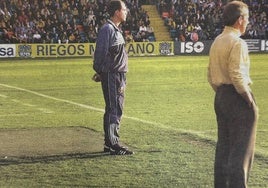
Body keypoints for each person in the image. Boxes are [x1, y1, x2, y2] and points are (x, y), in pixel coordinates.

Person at [207, 1, 258, 187]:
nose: (248, 23)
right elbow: (237, 75)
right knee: (241, 152)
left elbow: (210, 75)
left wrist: (222, 93)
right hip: (237, 98)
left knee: (224, 149)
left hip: (221, 96)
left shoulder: (217, 40)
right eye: (247, 19)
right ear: (239, 19)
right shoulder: (237, 43)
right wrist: (249, 100)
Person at [92, 0, 134, 155]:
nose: (126, 11)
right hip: (113, 75)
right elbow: (100, 54)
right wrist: (102, 71)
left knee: (117, 107)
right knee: (113, 107)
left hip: (118, 75)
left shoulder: (115, 29)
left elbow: (112, 55)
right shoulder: (107, 29)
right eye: (124, 9)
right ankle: (112, 143)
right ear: (117, 12)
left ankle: (111, 142)